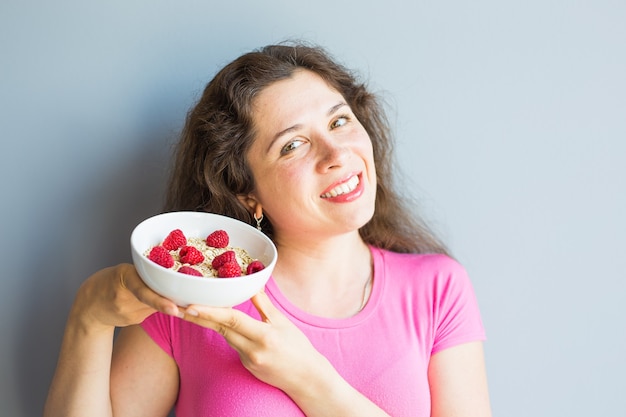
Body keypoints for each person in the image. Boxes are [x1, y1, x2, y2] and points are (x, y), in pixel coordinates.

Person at [44, 42, 492, 417]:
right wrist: (89, 318)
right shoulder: (189, 299)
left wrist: (308, 379)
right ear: (246, 194)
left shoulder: (438, 288)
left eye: (339, 121)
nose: (336, 152)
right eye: (293, 145)